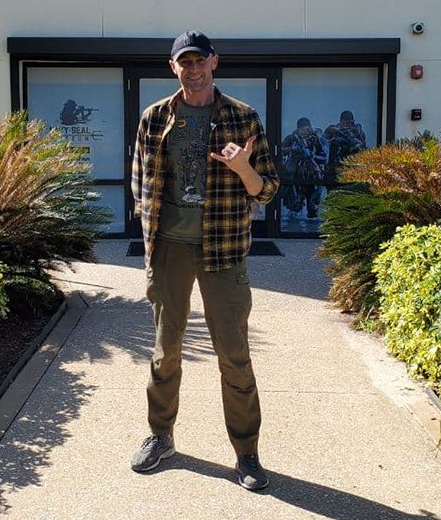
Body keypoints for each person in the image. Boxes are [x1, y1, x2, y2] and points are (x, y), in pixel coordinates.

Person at [130, 30, 280, 491]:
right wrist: (148, 225)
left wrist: (243, 168)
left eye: (200, 61)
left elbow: (267, 190)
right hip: (169, 249)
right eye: (184, 62)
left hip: (224, 250)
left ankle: (247, 452)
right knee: (165, 352)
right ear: (173, 67)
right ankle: (161, 436)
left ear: (215, 62)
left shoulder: (243, 117)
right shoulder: (155, 117)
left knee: (234, 356)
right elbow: (139, 180)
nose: (192, 70)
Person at [280, 117, 327, 218]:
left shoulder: (317, 138)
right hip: (295, 175)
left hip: (312, 175)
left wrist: (312, 156)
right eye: (301, 129)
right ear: (297, 129)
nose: (303, 132)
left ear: (310, 128)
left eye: (306, 129)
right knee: (294, 208)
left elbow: (325, 156)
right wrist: (292, 149)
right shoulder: (292, 138)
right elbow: (279, 150)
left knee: (312, 209)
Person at [324, 110, 367, 180]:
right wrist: (337, 131)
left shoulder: (357, 132)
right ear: (340, 122)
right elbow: (325, 139)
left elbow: (362, 147)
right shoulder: (335, 130)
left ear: (352, 122)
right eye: (344, 122)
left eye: (349, 122)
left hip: (352, 166)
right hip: (335, 166)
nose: (346, 125)